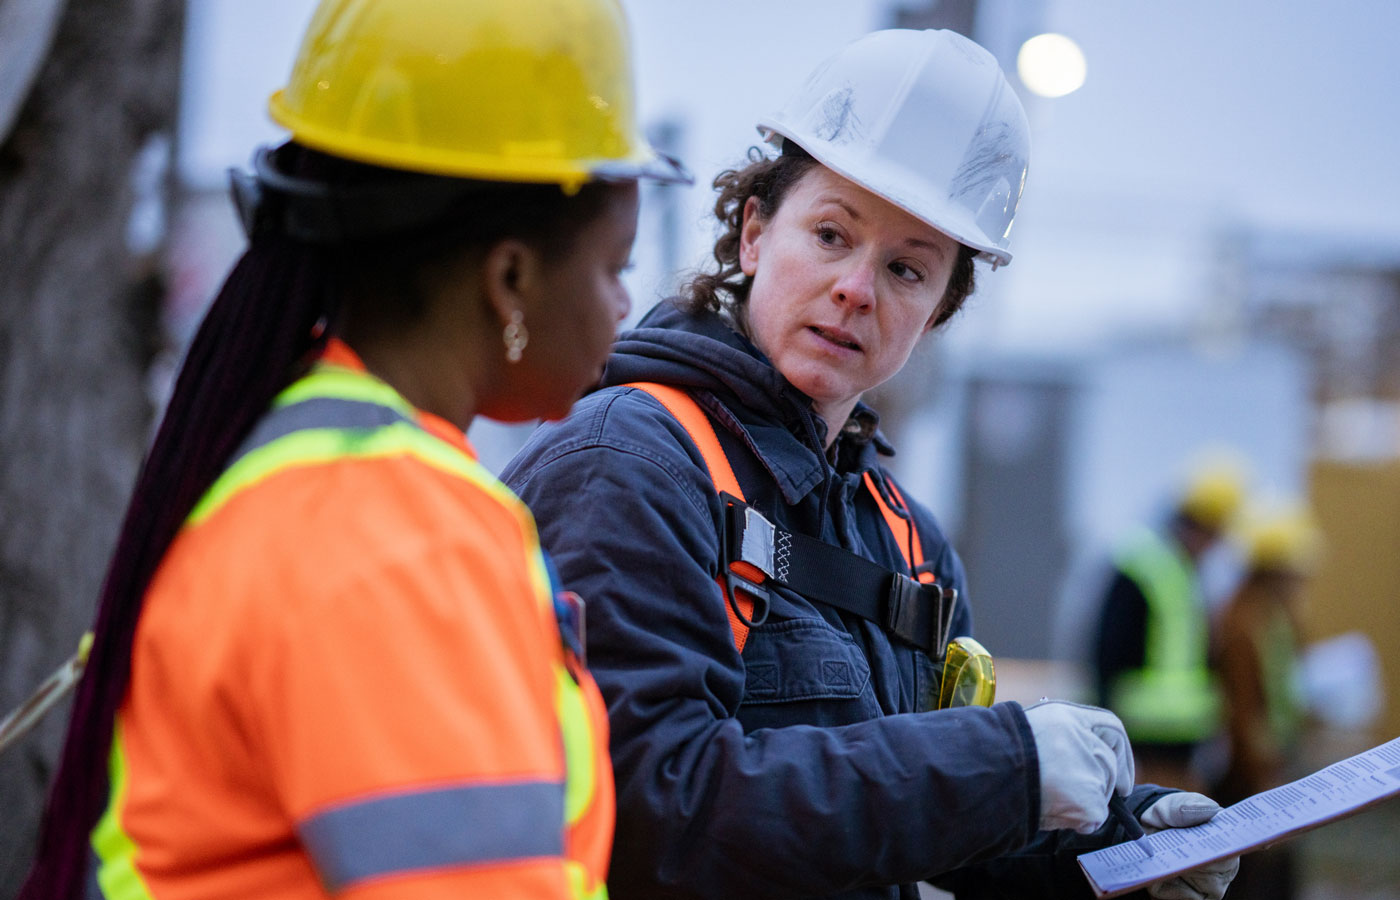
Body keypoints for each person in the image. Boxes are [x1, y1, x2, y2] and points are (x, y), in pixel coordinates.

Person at [503, 27, 1238, 900]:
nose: (857, 287)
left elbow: (918, 838)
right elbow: (648, 813)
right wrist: (1003, 768)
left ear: (937, 313)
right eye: (829, 234)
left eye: (904, 268)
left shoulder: (906, 541)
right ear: (751, 234)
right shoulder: (628, 464)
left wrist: (1110, 849)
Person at [19, 1, 688, 898]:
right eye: (615, 265)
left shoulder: (307, 465)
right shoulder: (400, 530)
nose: (624, 304)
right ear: (512, 278)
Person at [1092, 460, 1247, 791]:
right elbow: (1107, 652)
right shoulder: (1145, 565)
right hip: (1144, 740)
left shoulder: (1183, 570)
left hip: (1179, 739)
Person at [1211, 502, 1320, 900]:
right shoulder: (1243, 620)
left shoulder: (1274, 617)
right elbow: (1242, 707)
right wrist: (1261, 774)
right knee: (1254, 880)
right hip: (1249, 781)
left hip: (1272, 767)